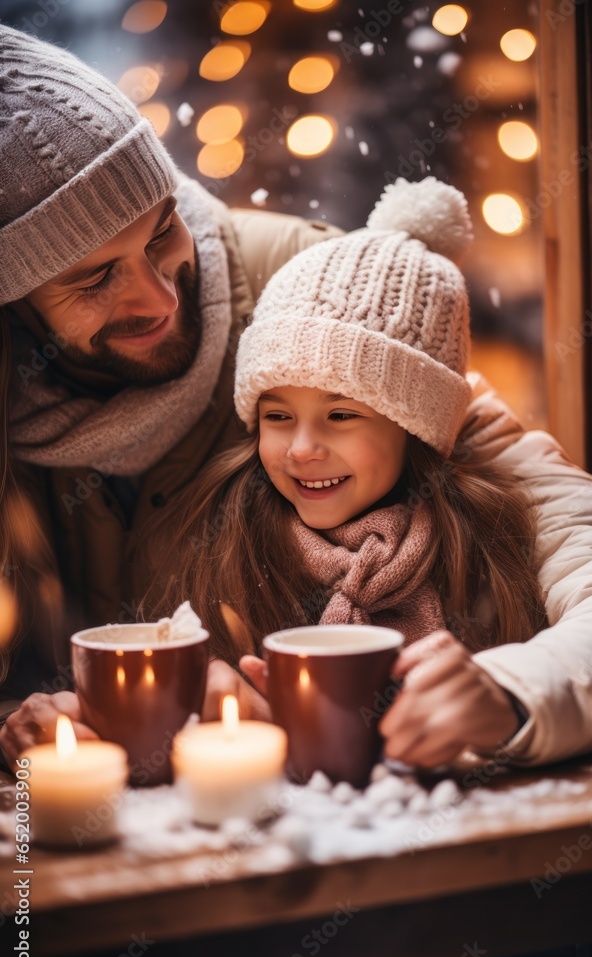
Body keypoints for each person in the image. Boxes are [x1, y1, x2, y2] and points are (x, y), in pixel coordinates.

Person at [159, 175, 592, 772]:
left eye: (342, 414)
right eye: (277, 415)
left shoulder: (506, 505)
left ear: (415, 425)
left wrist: (509, 692)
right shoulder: (224, 529)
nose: (301, 449)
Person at [0, 22, 343, 763]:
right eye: (93, 279)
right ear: (14, 304)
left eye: (162, 234)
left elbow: (575, 542)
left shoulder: (312, 285)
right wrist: (13, 723)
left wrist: (512, 694)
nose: (158, 299)